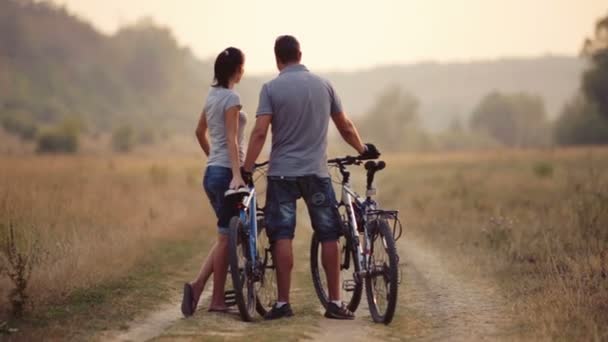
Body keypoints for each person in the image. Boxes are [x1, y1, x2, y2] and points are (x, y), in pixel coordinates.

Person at [242, 35, 379, 320]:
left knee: (282, 235)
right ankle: (335, 302)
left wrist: (247, 166)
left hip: (281, 174)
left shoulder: (271, 88)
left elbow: (259, 132)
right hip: (316, 173)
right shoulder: (323, 85)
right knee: (329, 233)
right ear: (300, 54)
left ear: (277, 59)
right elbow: (345, 126)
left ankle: (282, 304)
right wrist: (363, 149)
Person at [181, 47, 248, 316]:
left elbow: (200, 132)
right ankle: (216, 300)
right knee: (225, 238)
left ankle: (198, 288)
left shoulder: (212, 96)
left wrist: (214, 159)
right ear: (237, 70)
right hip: (225, 174)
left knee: (224, 236)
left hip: (211, 173)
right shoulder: (232, 97)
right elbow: (232, 139)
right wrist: (235, 174)